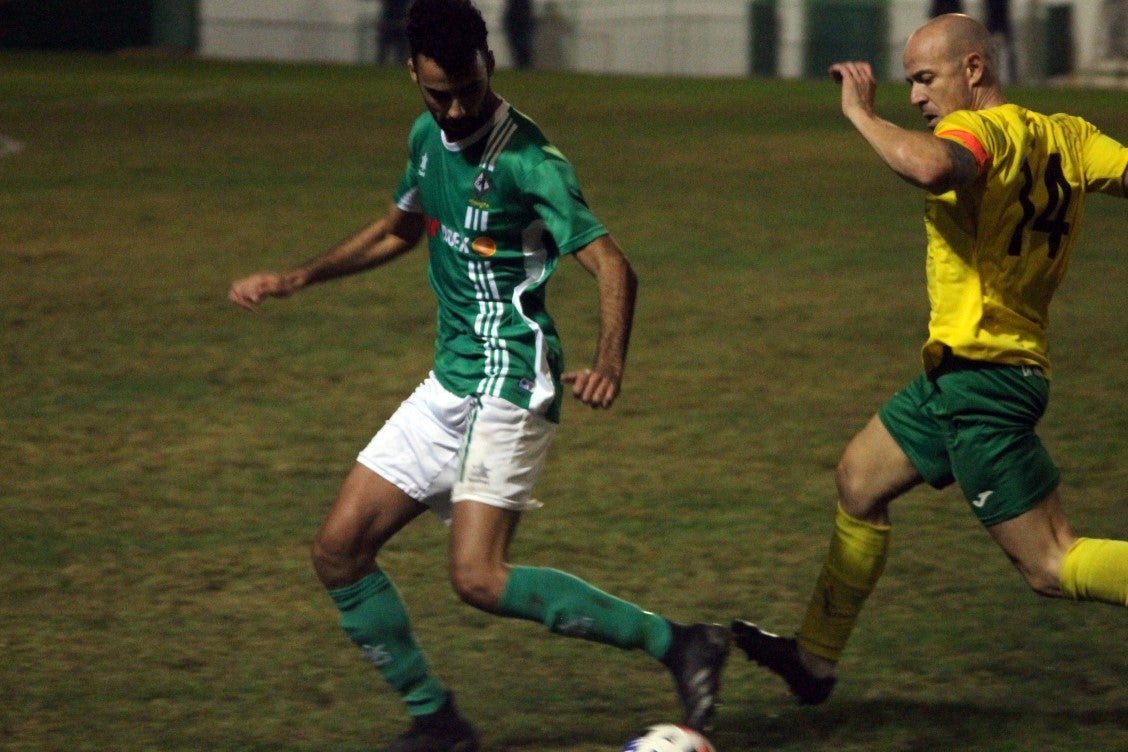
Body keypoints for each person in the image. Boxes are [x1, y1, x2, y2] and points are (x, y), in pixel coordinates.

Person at [228, 0, 730, 749]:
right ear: (413, 76)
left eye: (469, 87)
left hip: (512, 382)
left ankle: (680, 643)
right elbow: (400, 227)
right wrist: (298, 277)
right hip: (450, 382)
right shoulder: (427, 139)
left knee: (478, 578)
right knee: (337, 550)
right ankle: (437, 721)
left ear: (489, 62)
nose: (458, 108)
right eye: (440, 94)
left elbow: (613, 265)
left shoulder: (531, 161)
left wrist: (610, 362)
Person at [733, 13, 1128, 705]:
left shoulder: (974, 131)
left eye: (925, 79)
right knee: (859, 479)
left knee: (1049, 561)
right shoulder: (1070, 135)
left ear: (973, 70)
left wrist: (858, 112)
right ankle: (813, 660)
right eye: (910, 82)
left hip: (985, 381)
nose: (915, 97)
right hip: (960, 377)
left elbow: (931, 164)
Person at [503, 0, 535, 69]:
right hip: (520, 25)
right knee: (521, 46)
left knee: (521, 46)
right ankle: (524, 65)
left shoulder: (516, 6)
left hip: (518, 25)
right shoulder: (523, 5)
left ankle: (523, 65)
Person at [377, 0, 410, 66]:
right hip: (390, 23)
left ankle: (401, 63)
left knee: (401, 49)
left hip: (399, 23)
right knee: (385, 48)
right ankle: (381, 63)